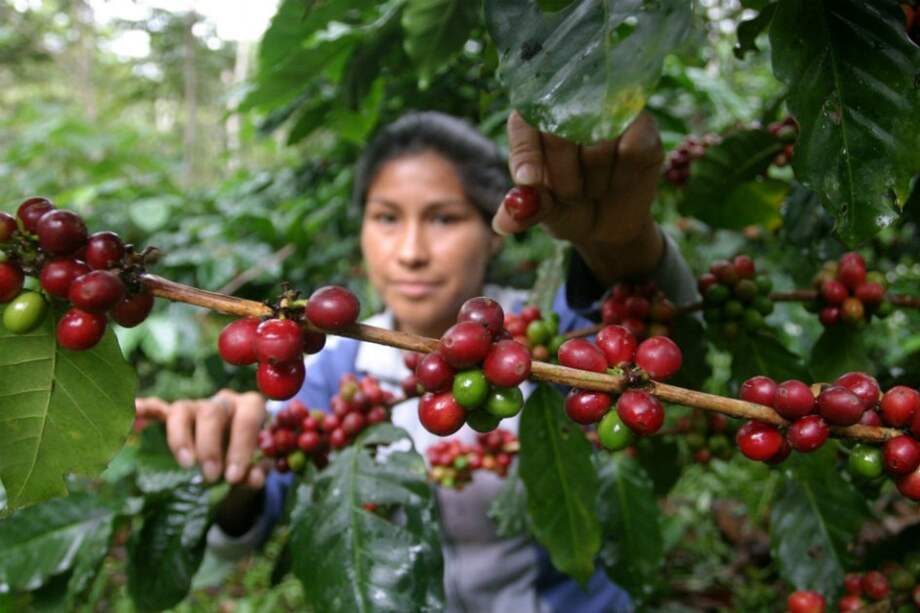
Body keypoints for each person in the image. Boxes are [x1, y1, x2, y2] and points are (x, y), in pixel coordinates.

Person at [136, 110, 698, 612]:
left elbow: (663, 342)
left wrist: (622, 244)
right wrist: (233, 463)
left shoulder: (546, 339)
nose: (410, 252)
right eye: (386, 217)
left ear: (495, 232)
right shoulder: (330, 366)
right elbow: (238, 537)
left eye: (444, 218)